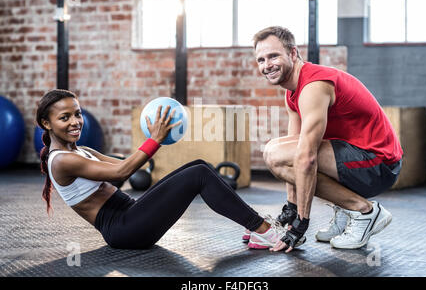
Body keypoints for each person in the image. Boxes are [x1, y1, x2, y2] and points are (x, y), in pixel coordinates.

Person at [36, 89, 285, 250]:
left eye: (77, 114)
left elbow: (125, 164)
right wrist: (154, 140)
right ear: (46, 123)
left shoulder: (83, 151)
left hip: (131, 214)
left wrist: (155, 138)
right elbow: (121, 172)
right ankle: (263, 230)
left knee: (199, 165)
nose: (75, 121)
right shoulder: (61, 161)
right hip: (125, 230)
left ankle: (250, 224)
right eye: (64, 117)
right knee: (199, 175)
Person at [248, 26, 403, 252]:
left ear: (292, 53)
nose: (266, 65)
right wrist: (291, 210)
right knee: (278, 150)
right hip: (357, 159)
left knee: (275, 153)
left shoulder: (313, 86)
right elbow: (294, 152)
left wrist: (300, 225)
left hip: (379, 164)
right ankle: (346, 211)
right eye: (261, 60)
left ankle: (365, 212)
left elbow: (306, 157)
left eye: (273, 56)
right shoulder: (292, 92)